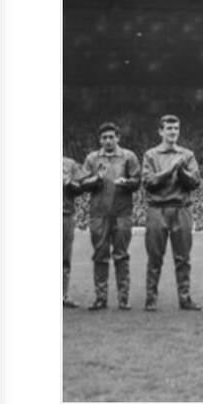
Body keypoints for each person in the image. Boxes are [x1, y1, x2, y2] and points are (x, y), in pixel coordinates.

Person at [141, 114, 202, 311]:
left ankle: (184, 298)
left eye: (176, 128)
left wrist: (182, 172)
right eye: (169, 128)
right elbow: (149, 183)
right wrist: (170, 170)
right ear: (161, 131)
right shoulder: (151, 155)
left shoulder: (188, 155)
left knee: (183, 258)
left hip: (181, 209)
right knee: (155, 257)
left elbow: (195, 183)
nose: (173, 132)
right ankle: (151, 299)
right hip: (157, 209)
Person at [79, 122, 142, 311]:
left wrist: (127, 182)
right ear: (100, 140)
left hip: (122, 213)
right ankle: (101, 298)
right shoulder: (92, 158)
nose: (108, 140)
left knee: (121, 255)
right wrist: (97, 178)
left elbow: (138, 182)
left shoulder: (128, 156)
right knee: (100, 255)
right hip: (99, 214)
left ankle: (124, 299)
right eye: (104, 137)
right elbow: (82, 183)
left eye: (111, 137)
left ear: (118, 138)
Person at [63, 156, 83, 308]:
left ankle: (63, 295)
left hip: (65, 215)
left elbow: (80, 188)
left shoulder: (70, 163)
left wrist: (69, 183)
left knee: (64, 258)